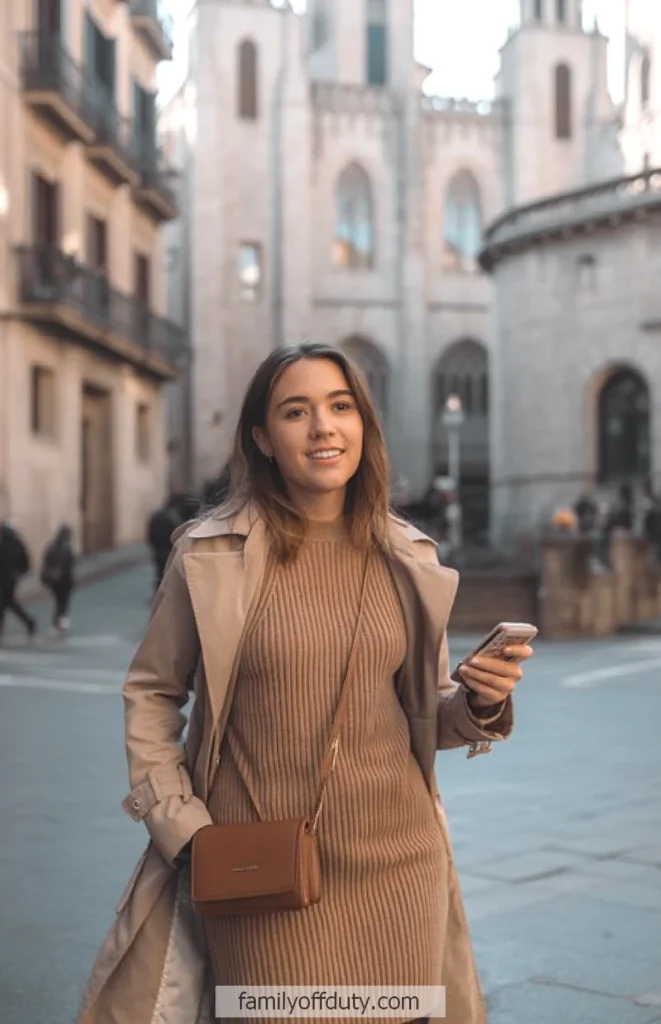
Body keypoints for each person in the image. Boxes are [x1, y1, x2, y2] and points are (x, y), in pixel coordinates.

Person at [77, 342, 533, 1024]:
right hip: (261, 878)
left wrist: (481, 701)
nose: (323, 427)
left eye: (340, 406)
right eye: (296, 411)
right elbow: (152, 692)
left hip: (401, 870)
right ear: (263, 438)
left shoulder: (409, 559)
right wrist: (184, 827)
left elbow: (426, 716)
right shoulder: (209, 555)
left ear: (362, 426)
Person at [0, 520, 36, 640]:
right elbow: (26, 559)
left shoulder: (6, 543)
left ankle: (29, 622)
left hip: (7, 577)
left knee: (6, 602)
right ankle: (29, 622)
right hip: (10, 577)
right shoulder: (16, 542)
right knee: (7, 602)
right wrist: (21, 572)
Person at [146, 495, 186, 593]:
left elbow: (150, 533)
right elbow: (176, 535)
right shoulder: (173, 517)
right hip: (167, 550)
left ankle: (159, 593)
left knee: (160, 572)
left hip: (159, 550)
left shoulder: (157, 515)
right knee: (167, 573)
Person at [40, 525, 76, 634]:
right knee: (63, 602)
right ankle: (61, 623)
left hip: (54, 580)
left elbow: (46, 561)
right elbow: (69, 564)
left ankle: (57, 622)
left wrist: (50, 573)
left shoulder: (51, 546)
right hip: (65, 579)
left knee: (58, 601)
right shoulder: (67, 548)